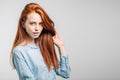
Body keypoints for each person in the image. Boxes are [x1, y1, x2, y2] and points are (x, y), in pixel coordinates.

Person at [10, 2, 71, 80]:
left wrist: (61, 46)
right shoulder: (19, 51)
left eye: (40, 24)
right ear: (23, 24)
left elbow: (65, 73)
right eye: (32, 23)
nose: (37, 28)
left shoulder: (44, 45)